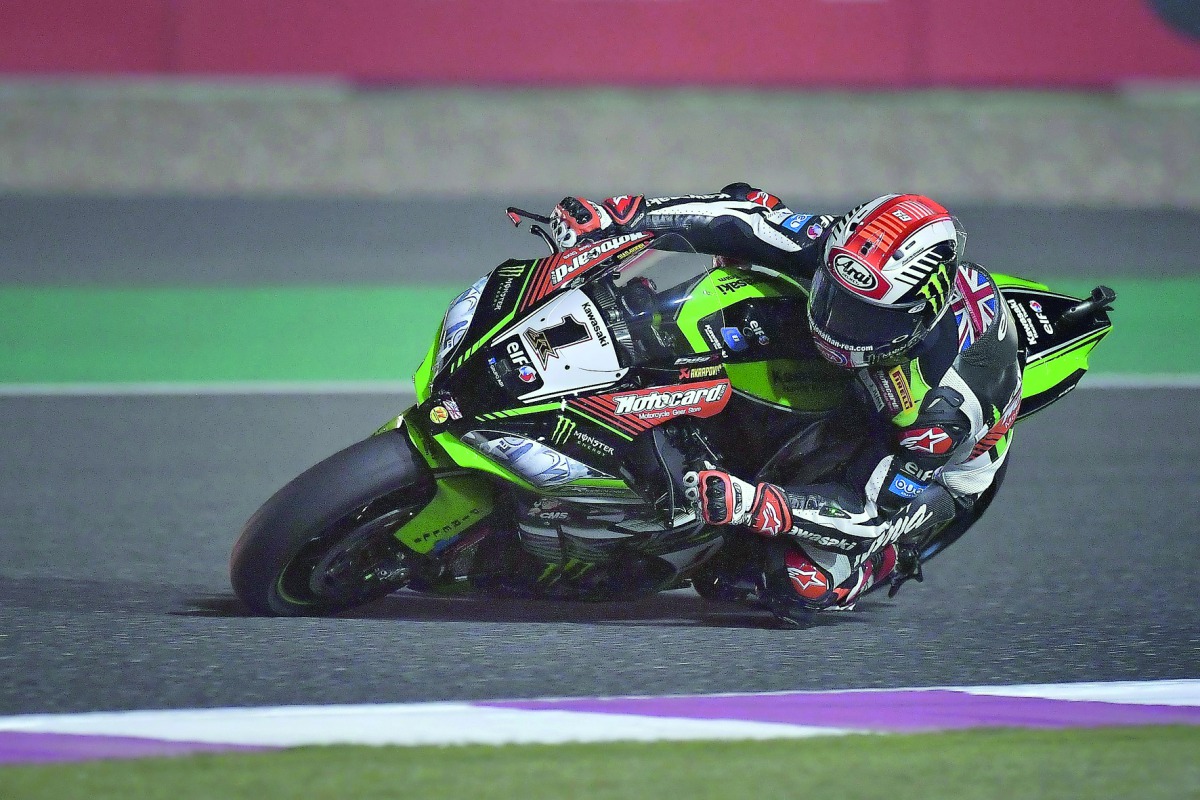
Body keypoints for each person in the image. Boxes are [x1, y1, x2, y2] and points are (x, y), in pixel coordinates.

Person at [547, 185, 1023, 625]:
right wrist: (621, 216)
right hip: (872, 367)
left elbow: (865, 510)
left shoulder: (943, 409)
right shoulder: (847, 252)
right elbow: (742, 215)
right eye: (833, 297)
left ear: (920, 315)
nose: (837, 322)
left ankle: (881, 564)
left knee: (791, 584)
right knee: (732, 293)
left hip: (922, 462)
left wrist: (758, 505)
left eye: (861, 317)